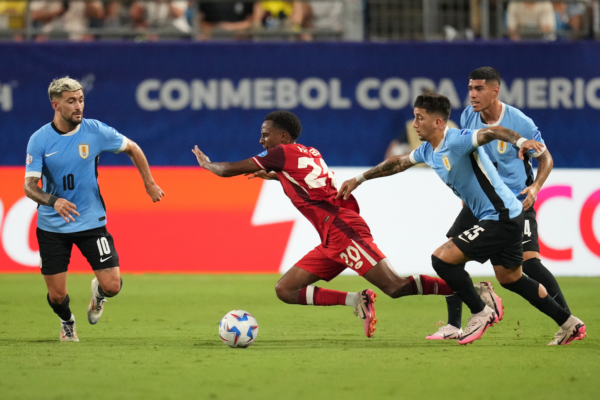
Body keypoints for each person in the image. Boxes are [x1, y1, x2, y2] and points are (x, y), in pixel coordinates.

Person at [191, 110, 493, 339]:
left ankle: (477, 292)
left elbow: (230, 169)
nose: (261, 141)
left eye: (266, 134)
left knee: (396, 287)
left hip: (343, 230)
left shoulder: (280, 154)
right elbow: (308, 182)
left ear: (282, 137)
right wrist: (273, 174)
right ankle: (356, 300)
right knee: (286, 289)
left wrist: (209, 166)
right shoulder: (307, 152)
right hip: (330, 237)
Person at [337, 93, 586, 345]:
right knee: (511, 279)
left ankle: (481, 311)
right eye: (414, 117)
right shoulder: (427, 150)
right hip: (503, 215)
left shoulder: (457, 140)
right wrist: (359, 179)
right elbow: (397, 164)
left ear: (437, 122)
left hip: (500, 217)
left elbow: (493, 132)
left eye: (419, 118)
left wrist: (520, 140)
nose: (414, 124)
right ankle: (569, 324)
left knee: (442, 259)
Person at [24, 77, 165, 341]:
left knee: (112, 286)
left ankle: (98, 296)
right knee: (56, 295)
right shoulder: (39, 140)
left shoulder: (95, 131)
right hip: (52, 227)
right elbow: (29, 187)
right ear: (55, 104)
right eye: (71, 101)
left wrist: (149, 183)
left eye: (81, 100)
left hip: (90, 221)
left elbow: (132, 148)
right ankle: (67, 321)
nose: (78, 106)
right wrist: (55, 201)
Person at [29, 0, 104, 41]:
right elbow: (32, 15)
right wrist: (54, 13)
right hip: (50, 41)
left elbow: (98, 14)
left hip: (79, 40)